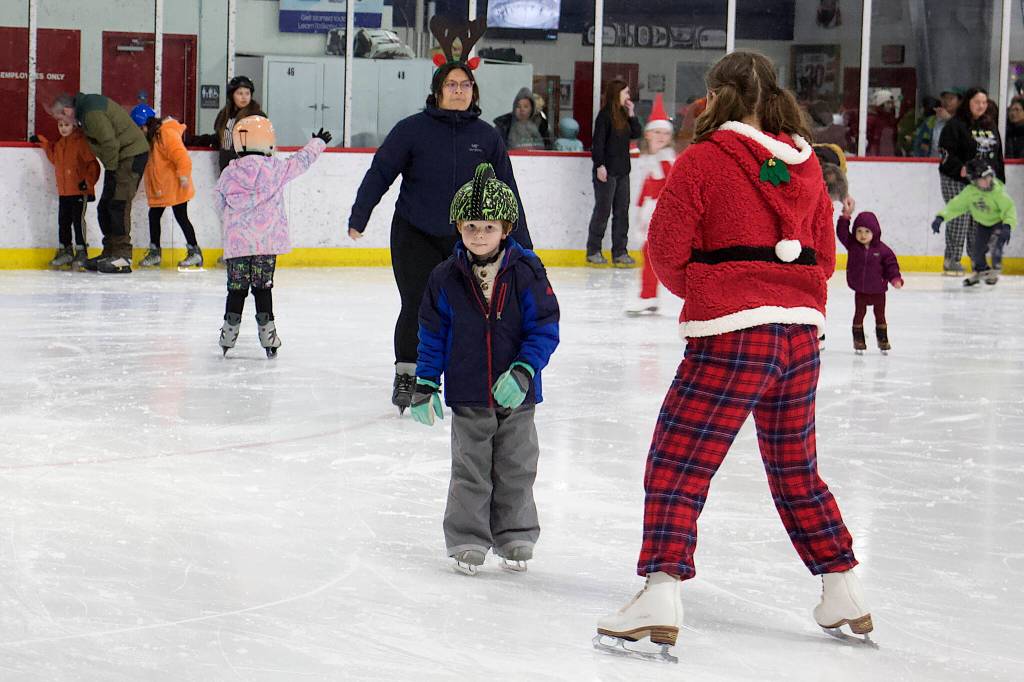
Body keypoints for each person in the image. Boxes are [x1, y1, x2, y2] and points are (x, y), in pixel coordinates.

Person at [595, 52, 871, 661]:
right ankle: (843, 588)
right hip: (800, 338)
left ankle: (660, 594)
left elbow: (666, 252)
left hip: (732, 332)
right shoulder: (806, 165)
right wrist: (794, 299)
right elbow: (825, 255)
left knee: (679, 459)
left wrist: (714, 289)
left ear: (719, 94)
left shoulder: (705, 158)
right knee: (796, 469)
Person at [347, 48, 532, 413]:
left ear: (473, 92)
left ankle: (459, 377)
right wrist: (360, 215)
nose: (459, 90)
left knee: (467, 309)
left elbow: (507, 190)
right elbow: (381, 171)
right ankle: (406, 373)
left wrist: (523, 245)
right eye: (452, 84)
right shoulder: (412, 129)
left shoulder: (487, 136)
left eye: (465, 85)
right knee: (416, 305)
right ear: (438, 90)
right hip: (413, 231)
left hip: (468, 238)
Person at [411, 163, 559, 576]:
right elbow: (432, 335)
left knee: (517, 465)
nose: (479, 235)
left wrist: (524, 371)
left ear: (506, 227)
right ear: (458, 226)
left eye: (488, 226)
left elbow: (545, 327)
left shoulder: (527, 272)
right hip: (468, 391)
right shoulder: (444, 278)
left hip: (518, 392)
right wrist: (425, 381)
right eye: (471, 225)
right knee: (470, 468)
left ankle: (515, 533)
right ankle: (467, 538)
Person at [215, 116, 332, 358]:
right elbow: (301, 161)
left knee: (236, 289)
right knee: (262, 288)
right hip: (266, 244)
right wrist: (317, 142)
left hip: (238, 245)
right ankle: (268, 336)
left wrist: (232, 225)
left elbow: (218, 202)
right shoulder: (276, 168)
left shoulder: (229, 172)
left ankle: (228, 333)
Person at [48, 92, 149, 274]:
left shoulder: (91, 113)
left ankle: (122, 257)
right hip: (120, 158)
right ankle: (109, 252)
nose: (62, 123)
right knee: (105, 206)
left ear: (67, 110)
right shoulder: (84, 112)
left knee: (118, 203)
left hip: (130, 155)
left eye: (60, 117)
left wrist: (110, 170)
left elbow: (110, 143)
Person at [937, 87, 1005, 275]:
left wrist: (999, 181)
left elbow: (997, 156)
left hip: (984, 182)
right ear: (968, 103)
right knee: (960, 217)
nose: (981, 106)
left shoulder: (990, 126)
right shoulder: (955, 125)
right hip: (956, 179)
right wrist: (961, 168)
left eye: (984, 102)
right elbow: (945, 152)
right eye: (976, 102)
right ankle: (952, 259)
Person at [130, 105, 202, 269]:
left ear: (147, 125)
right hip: (161, 187)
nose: (140, 132)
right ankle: (155, 252)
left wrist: (183, 176)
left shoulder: (166, 134)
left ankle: (195, 252)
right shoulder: (151, 138)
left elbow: (181, 156)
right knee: (154, 216)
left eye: (140, 128)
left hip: (176, 185)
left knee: (181, 216)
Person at [625, 94, 675, 316]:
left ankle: (648, 296)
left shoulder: (666, 159)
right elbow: (643, 192)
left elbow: (669, 190)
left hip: (664, 216)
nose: (661, 136)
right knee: (650, 257)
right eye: (657, 132)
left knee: (653, 257)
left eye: (665, 133)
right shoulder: (647, 157)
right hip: (651, 215)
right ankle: (649, 296)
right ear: (647, 133)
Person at [932, 158, 1016, 287]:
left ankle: (994, 270)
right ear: (975, 181)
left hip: (998, 223)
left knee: (996, 245)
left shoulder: (998, 192)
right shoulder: (970, 193)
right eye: (984, 178)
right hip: (982, 224)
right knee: (976, 251)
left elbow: (1009, 209)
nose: (989, 181)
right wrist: (940, 217)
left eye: (989, 177)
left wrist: (1008, 226)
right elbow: (955, 205)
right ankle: (981, 271)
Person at [835, 197, 904, 354]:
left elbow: (891, 265)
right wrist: (846, 215)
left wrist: (895, 278)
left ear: (875, 232)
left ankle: (883, 339)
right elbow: (842, 232)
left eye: (867, 231)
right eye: (859, 231)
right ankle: (858, 340)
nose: (862, 235)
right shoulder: (853, 245)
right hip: (861, 290)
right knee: (859, 314)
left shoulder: (883, 250)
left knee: (880, 315)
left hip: (879, 290)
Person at [586, 79, 642, 267]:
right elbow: (598, 144)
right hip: (607, 172)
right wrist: (600, 165)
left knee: (621, 212)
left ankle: (620, 252)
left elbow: (636, 133)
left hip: (622, 171)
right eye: (625, 92)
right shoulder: (604, 116)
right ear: (616, 93)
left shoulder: (623, 115)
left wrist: (632, 113)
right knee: (603, 211)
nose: (628, 96)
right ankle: (593, 250)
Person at [30, 120, 100, 269]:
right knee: (63, 221)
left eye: (66, 125)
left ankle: (81, 251)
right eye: (60, 125)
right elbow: (54, 157)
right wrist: (42, 141)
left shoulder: (81, 142)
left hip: (79, 190)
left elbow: (93, 164)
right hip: (64, 191)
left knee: (77, 220)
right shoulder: (61, 143)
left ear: (74, 125)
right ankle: (66, 250)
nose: (63, 128)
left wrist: (87, 182)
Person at [188, 76, 267, 173]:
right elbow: (220, 138)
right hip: (227, 171)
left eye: (247, 93)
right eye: (240, 93)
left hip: (248, 173)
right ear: (232, 95)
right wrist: (194, 140)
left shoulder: (256, 117)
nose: (244, 97)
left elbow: (262, 145)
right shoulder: (225, 116)